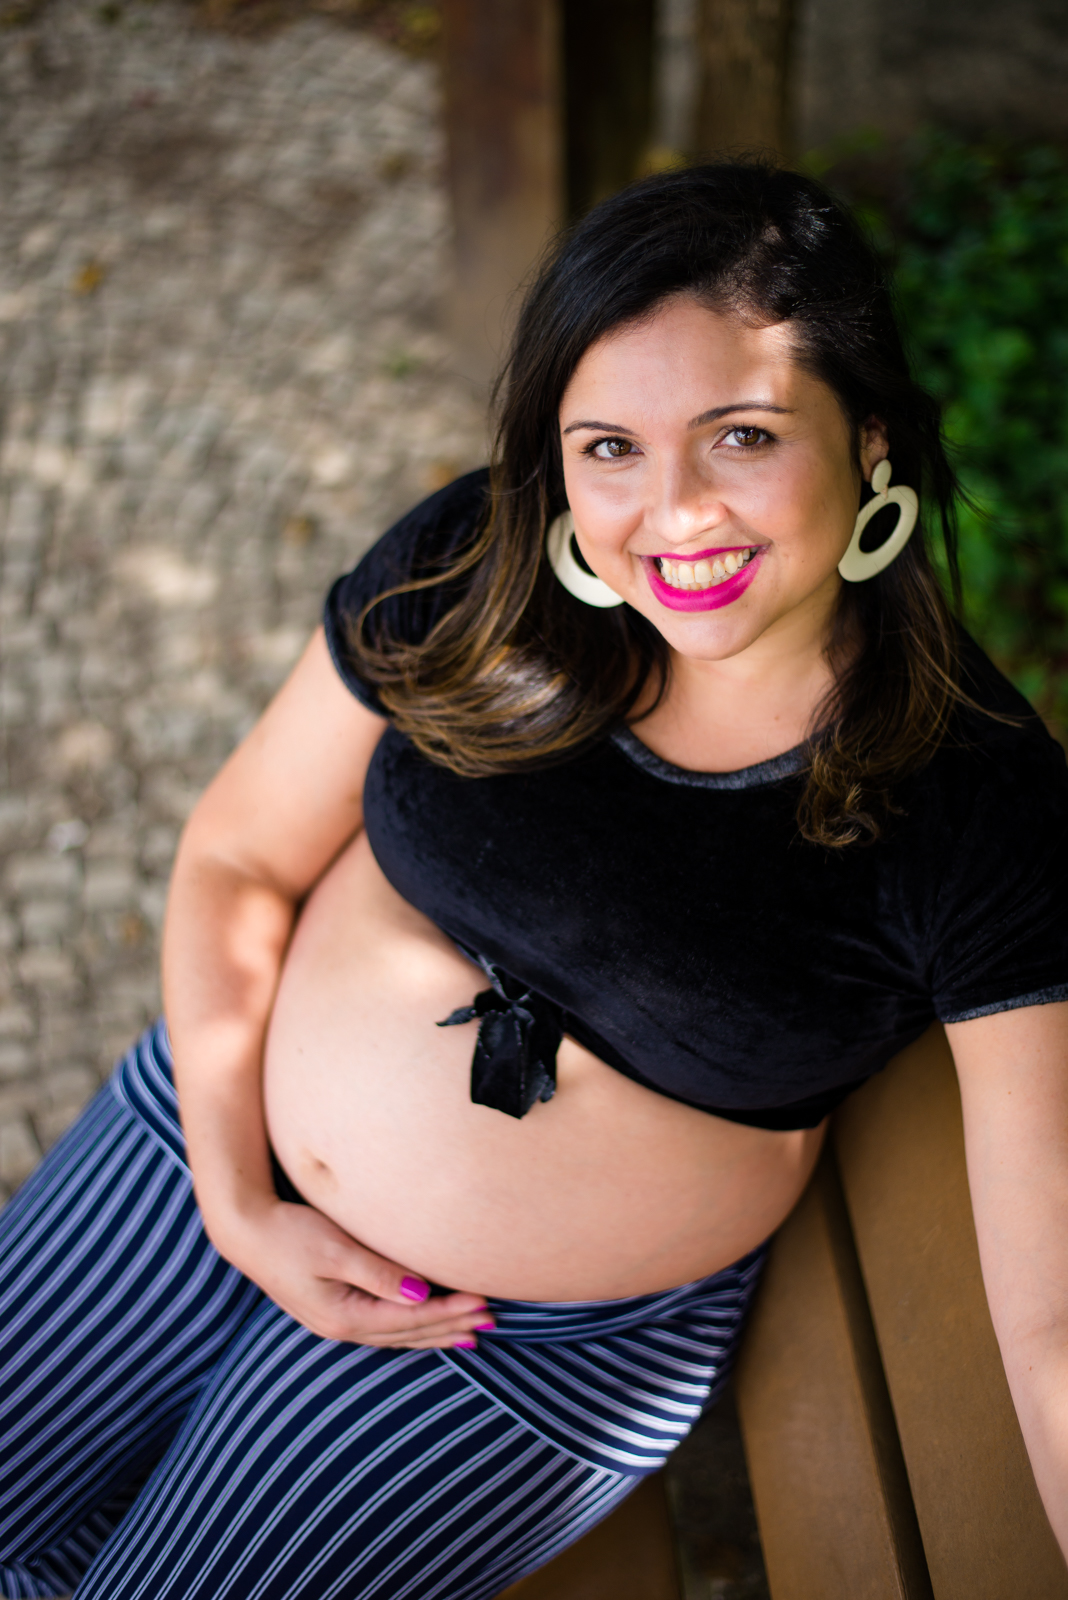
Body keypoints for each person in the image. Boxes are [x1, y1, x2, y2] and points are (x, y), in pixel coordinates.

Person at [1, 162, 1067, 1599]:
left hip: (509, 1345)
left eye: (740, 434)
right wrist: (232, 1189)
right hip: (207, 1146)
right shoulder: (481, 567)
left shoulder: (976, 797)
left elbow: (1053, 1318)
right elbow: (238, 854)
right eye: (609, 447)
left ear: (869, 439)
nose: (671, 514)